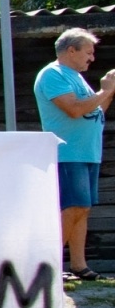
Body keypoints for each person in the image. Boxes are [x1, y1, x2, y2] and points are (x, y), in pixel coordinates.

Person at [33, 27, 115, 281]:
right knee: (73, 207)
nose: (92, 58)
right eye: (88, 52)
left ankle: (79, 266)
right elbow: (74, 110)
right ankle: (47, 266)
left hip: (87, 153)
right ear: (71, 50)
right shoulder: (53, 74)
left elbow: (95, 112)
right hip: (67, 153)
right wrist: (104, 91)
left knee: (82, 209)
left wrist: (109, 91)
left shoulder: (76, 77)